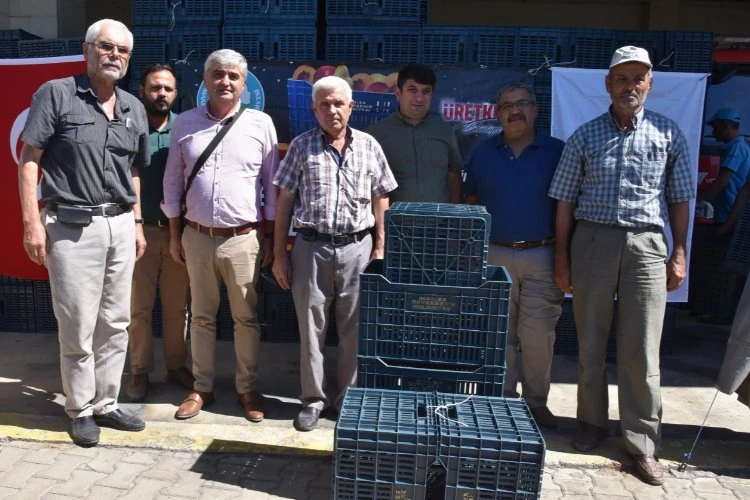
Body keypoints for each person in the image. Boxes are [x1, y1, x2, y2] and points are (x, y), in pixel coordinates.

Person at [548, 46, 694, 486]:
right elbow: (564, 202)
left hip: (646, 246)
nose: (630, 86)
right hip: (592, 242)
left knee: (642, 348)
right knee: (590, 341)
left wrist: (680, 252)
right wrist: (562, 257)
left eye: (638, 78)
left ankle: (642, 442)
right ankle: (591, 423)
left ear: (649, 84)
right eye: (622, 78)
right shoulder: (585, 136)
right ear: (608, 84)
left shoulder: (668, 133)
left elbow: (679, 198)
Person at [18, 19, 149, 447]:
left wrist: (137, 222)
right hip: (71, 226)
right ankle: (80, 408)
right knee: (77, 323)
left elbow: (133, 170)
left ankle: (107, 403)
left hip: (120, 224)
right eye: (107, 47)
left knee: (116, 321)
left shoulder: (133, 106)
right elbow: (30, 159)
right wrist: (32, 223)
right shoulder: (56, 93)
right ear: (87, 49)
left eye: (123, 50)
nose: (115, 56)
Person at [272, 76, 397, 432]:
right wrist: (279, 254)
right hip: (311, 249)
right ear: (314, 109)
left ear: (351, 107)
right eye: (324, 104)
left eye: (338, 103)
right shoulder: (301, 146)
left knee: (354, 329)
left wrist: (380, 246)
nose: (332, 110)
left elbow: (381, 198)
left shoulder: (370, 146)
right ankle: (313, 400)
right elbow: (284, 202)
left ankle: (346, 400)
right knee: (310, 328)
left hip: (358, 248)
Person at [161, 49, 279, 423]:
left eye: (232, 76)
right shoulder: (185, 123)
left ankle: (247, 388)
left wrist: (270, 239)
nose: (224, 82)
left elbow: (271, 186)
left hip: (243, 239)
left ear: (244, 83)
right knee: (201, 316)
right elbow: (172, 180)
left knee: (246, 318)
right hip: (196, 236)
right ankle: (202, 387)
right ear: (205, 80)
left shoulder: (261, 124)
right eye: (217, 74)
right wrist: (175, 234)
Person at [464, 82, 564, 430]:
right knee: (499, 332)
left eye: (522, 104)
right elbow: (471, 202)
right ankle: (503, 399)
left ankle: (536, 402)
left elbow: (568, 207)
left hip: (542, 254)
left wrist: (565, 257)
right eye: (507, 105)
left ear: (535, 109)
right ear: (497, 113)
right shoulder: (482, 153)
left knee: (538, 335)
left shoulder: (556, 152)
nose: (515, 110)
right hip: (494, 254)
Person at [125, 64, 193, 402]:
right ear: (142, 91)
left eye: (167, 88)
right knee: (138, 308)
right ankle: (140, 369)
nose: (161, 94)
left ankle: (176, 366)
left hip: (179, 233)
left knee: (177, 306)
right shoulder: (129, 127)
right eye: (155, 87)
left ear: (175, 93)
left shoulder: (186, 129)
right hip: (140, 232)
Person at [367, 63, 462, 203]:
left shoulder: (445, 131)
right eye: (412, 90)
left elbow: (454, 175)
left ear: (432, 95)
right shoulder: (376, 135)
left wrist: (455, 213)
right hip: (393, 217)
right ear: (398, 93)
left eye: (426, 91)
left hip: (438, 216)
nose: (419, 98)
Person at [699, 108, 750, 226]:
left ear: (725, 125)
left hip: (728, 216)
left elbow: (721, 183)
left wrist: (696, 199)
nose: (713, 133)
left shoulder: (737, 148)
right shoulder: (739, 146)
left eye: (715, 128)